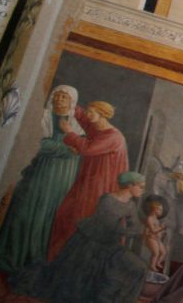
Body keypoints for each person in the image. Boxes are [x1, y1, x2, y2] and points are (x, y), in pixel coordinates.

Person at [0, 86, 83, 273]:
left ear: (72, 101)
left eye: (64, 97)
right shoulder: (43, 116)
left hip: (62, 177)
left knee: (48, 216)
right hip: (37, 171)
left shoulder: (77, 124)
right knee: (24, 211)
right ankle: (10, 258)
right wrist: (64, 149)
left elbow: (81, 148)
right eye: (57, 95)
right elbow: (37, 143)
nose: (59, 99)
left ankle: (33, 262)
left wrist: (68, 147)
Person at [12, 171, 148, 302]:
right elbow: (107, 224)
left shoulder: (131, 205)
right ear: (130, 185)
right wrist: (129, 231)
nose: (143, 190)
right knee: (76, 277)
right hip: (89, 240)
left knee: (133, 266)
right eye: (141, 186)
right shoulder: (107, 199)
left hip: (108, 243)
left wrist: (144, 230)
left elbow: (134, 225)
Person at [48, 100, 129, 259]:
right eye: (88, 111)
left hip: (100, 185)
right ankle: (58, 257)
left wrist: (69, 132)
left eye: (92, 112)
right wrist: (71, 105)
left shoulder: (114, 137)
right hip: (90, 178)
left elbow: (88, 148)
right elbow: (84, 119)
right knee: (66, 214)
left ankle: (72, 260)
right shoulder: (98, 128)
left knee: (81, 217)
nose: (88, 114)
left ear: (102, 115)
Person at [143, 197, 168, 272]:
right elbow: (153, 230)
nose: (161, 212)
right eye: (160, 210)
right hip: (151, 238)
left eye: (161, 210)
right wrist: (161, 228)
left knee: (163, 252)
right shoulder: (149, 218)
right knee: (156, 253)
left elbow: (157, 230)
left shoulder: (156, 219)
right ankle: (152, 265)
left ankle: (158, 262)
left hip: (157, 238)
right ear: (154, 209)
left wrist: (162, 231)